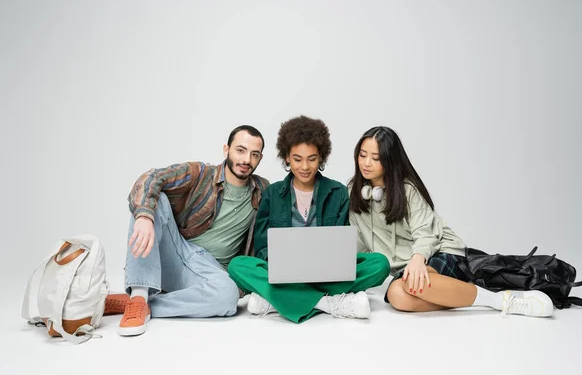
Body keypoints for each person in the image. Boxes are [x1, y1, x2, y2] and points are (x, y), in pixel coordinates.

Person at [348, 126, 554, 317]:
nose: (366, 163)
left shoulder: (406, 190)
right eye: (362, 155)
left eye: (375, 158)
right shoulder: (353, 193)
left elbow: (425, 234)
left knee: (410, 283)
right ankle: (464, 296)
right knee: (396, 296)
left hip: (439, 251)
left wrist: (419, 258)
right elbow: (357, 244)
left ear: (390, 161)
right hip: (409, 268)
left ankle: (503, 301)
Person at [106, 125, 270, 336]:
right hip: (179, 253)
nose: (246, 159)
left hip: (211, 272)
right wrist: (144, 216)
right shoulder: (202, 174)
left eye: (254, 154)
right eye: (240, 150)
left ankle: (142, 304)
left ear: (260, 158)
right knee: (158, 199)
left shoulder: (263, 190)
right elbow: (151, 178)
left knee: (228, 298)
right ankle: (138, 295)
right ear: (226, 149)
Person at [228, 116, 390, 323]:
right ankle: (328, 303)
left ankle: (276, 300)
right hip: (283, 275)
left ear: (321, 158)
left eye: (312, 159)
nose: (305, 166)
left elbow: (341, 245)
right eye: (297, 159)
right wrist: (282, 267)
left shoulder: (338, 192)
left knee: (379, 263)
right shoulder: (272, 193)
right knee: (237, 266)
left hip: (327, 274)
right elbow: (262, 248)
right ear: (287, 157)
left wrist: (325, 266)